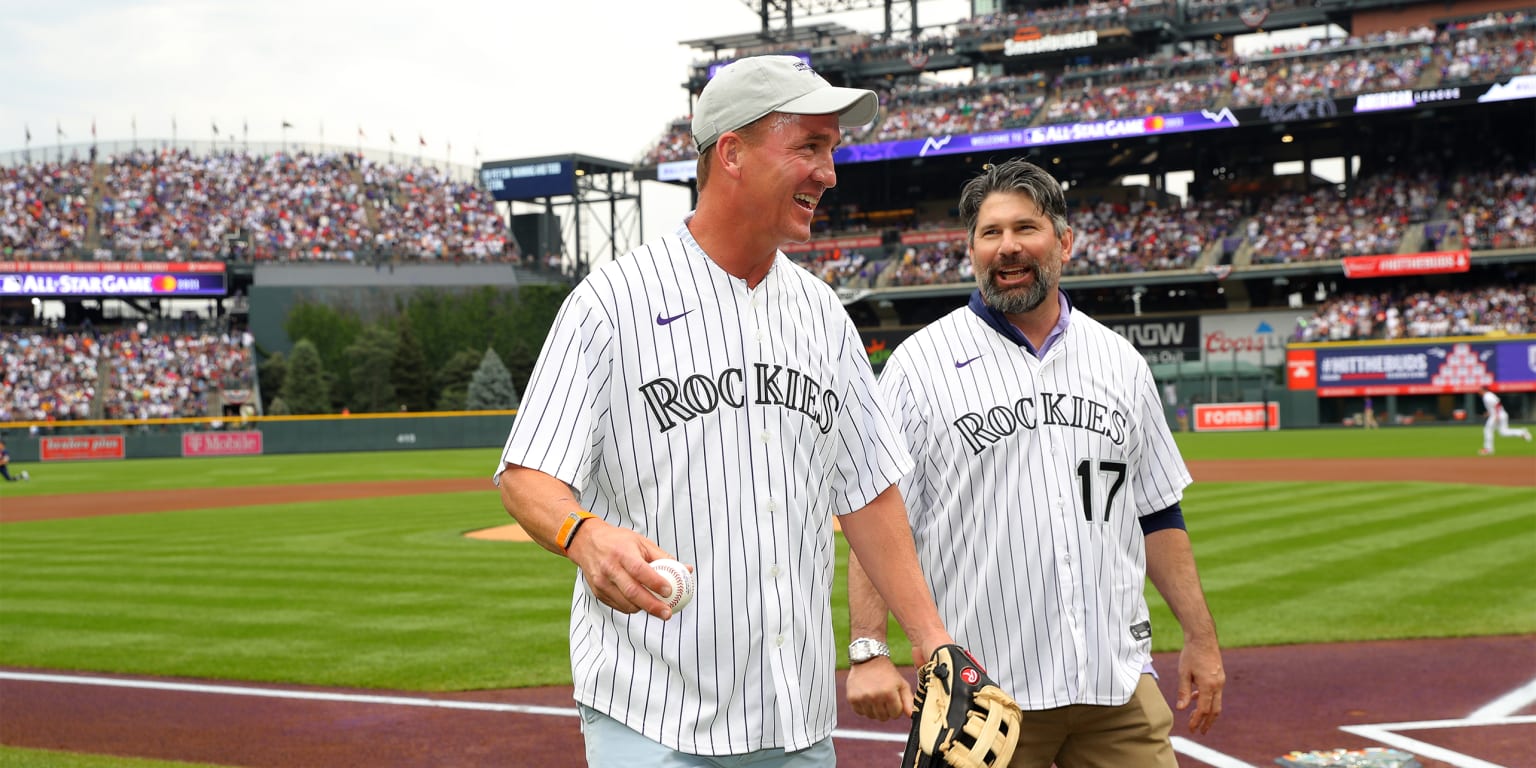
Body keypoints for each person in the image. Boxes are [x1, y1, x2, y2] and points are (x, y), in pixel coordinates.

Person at [493, 55, 955, 767]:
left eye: (831, 149)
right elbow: (526, 477)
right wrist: (584, 535)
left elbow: (868, 490)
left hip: (795, 720)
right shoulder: (612, 302)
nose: (829, 172)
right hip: (650, 712)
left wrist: (930, 637)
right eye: (809, 146)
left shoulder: (822, 314)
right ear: (732, 153)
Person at [845, 159, 1225, 767]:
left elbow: (1158, 513)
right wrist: (869, 648)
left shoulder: (1119, 361)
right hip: (981, 697)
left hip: (1116, 687)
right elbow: (878, 512)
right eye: (990, 233)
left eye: (1026, 228)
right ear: (970, 249)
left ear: (1064, 242)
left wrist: (1201, 640)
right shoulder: (919, 364)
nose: (1008, 247)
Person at [1478, 384, 1532, 455]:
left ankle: (1488, 449)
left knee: (1487, 430)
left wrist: (1497, 415)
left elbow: (1497, 404)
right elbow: (1494, 406)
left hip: (1497, 415)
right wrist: (1488, 413)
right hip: (1500, 414)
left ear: (1483, 390)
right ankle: (1522, 432)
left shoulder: (1487, 396)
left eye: (1480, 390)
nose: (1478, 391)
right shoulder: (1488, 396)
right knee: (1503, 432)